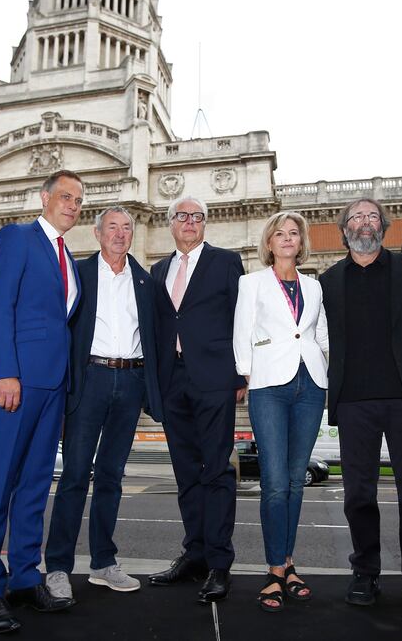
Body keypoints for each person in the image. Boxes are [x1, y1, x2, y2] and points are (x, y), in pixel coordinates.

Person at [319, 197, 402, 613]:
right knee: (358, 493)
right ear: (344, 230)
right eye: (356, 217)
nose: (364, 223)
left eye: (372, 216)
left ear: (383, 227)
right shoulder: (326, 282)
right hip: (354, 401)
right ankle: (365, 571)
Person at [0, 169, 83, 633]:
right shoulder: (16, 238)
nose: (72, 205)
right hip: (17, 383)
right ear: (44, 197)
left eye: (78, 199)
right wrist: (5, 372)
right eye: (65, 196)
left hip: (54, 384)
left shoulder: (69, 255)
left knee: (35, 486)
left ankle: (23, 577)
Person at [44, 206, 163, 601]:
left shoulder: (145, 281)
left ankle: (103, 563)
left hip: (129, 380)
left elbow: (155, 340)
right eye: (112, 227)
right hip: (89, 380)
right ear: (97, 234)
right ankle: (58, 566)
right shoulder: (77, 274)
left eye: (126, 227)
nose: (120, 233)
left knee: (111, 477)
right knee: (75, 475)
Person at [147, 197, 245, 604]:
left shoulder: (227, 262)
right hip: (174, 382)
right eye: (182, 217)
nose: (189, 222)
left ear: (205, 223)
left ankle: (220, 563)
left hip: (215, 379)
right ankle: (196, 555)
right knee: (187, 474)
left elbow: (242, 318)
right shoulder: (157, 271)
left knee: (217, 471)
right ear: (171, 224)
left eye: (197, 217)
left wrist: (241, 374)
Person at [232, 211, 329, 612]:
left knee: (295, 479)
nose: (287, 239)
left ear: (301, 243)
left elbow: (320, 334)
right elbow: (242, 330)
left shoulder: (315, 286)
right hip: (269, 385)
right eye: (280, 234)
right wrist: (245, 375)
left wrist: (329, 366)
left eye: (294, 234)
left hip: (311, 385)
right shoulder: (251, 282)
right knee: (274, 481)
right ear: (269, 243)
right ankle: (274, 568)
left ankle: (289, 563)